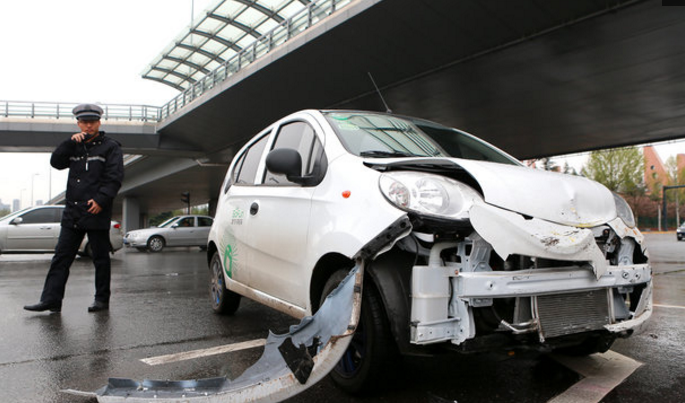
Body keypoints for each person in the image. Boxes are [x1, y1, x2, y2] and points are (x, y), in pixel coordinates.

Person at [24, 104, 124, 313]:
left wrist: (101, 200)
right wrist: (68, 143)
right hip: (73, 212)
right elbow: (56, 163)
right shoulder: (74, 145)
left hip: (95, 210)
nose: (88, 126)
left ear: (99, 122)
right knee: (61, 258)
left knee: (100, 258)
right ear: (78, 123)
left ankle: (101, 300)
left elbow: (114, 178)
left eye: (92, 122)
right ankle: (51, 300)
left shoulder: (110, 147)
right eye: (84, 122)